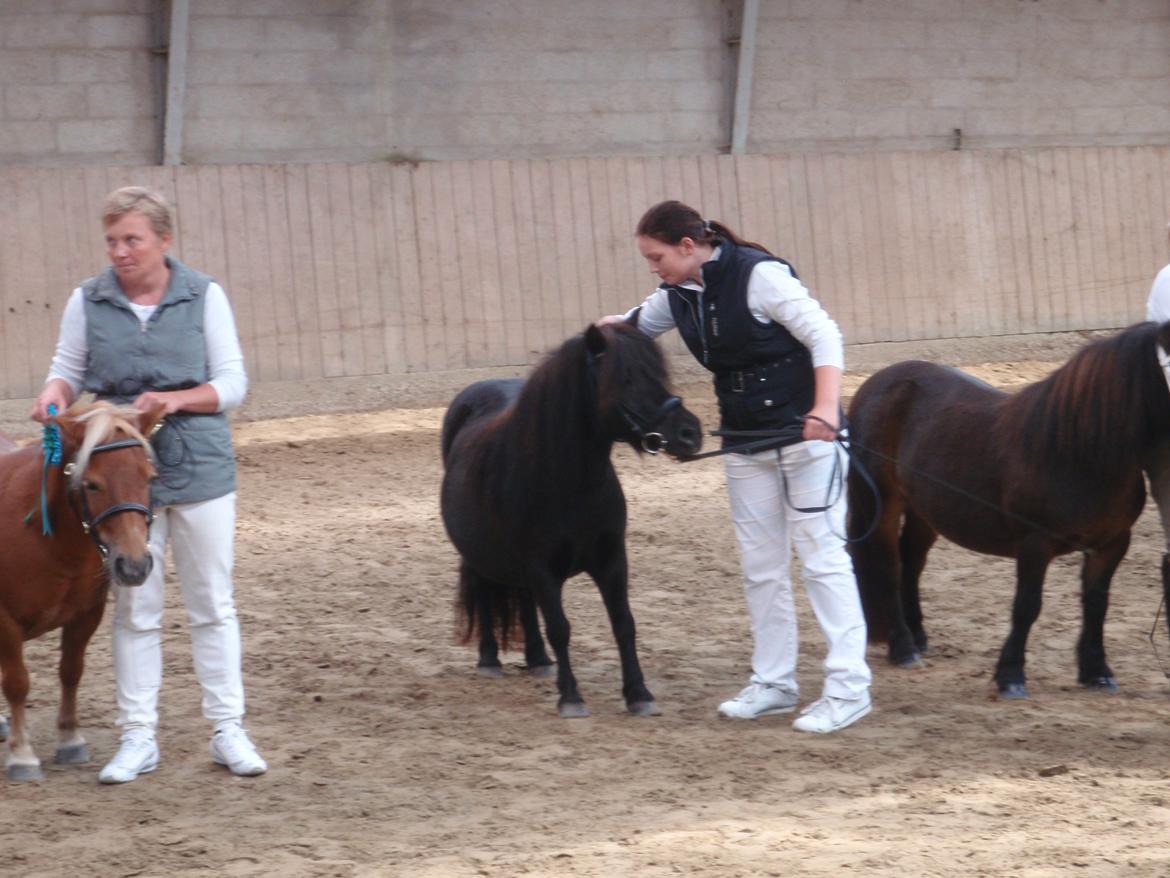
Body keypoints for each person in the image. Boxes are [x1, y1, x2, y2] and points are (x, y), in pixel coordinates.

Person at [601, 200, 872, 733]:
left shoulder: (760, 276)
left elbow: (824, 335)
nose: (653, 268)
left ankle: (849, 689)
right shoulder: (676, 294)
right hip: (745, 443)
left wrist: (824, 407)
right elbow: (629, 328)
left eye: (657, 257)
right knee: (761, 568)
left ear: (687, 246)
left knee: (823, 562)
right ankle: (774, 683)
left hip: (806, 438)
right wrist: (596, 336)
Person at [30, 186, 267, 782]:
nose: (119, 251)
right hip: (117, 476)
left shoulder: (203, 294)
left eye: (132, 239)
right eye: (112, 240)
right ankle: (138, 736)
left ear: (163, 239)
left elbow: (232, 383)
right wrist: (53, 395)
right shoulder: (87, 299)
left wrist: (174, 400)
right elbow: (67, 371)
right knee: (136, 606)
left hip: (200, 465)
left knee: (212, 602)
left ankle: (228, 729)